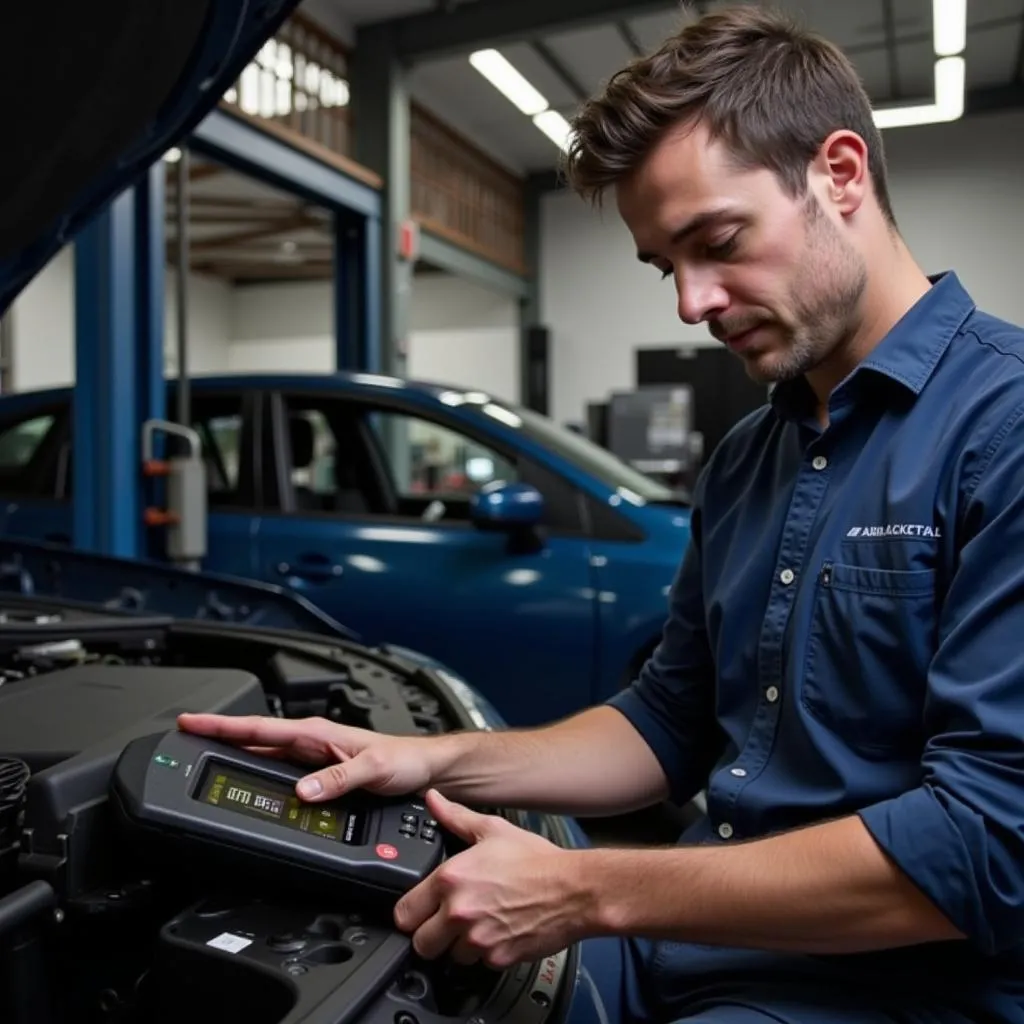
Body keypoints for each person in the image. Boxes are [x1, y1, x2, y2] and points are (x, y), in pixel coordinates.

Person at [180, 5, 1024, 1022]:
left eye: (716, 242)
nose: (690, 303)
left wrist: (583, 890)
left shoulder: (1002, 430)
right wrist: (431, 759)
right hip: (691, 936)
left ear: (839, 174)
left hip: (877, 988)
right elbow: (667, 723)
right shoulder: (750, 458)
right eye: (666, 265)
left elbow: (985, 844)